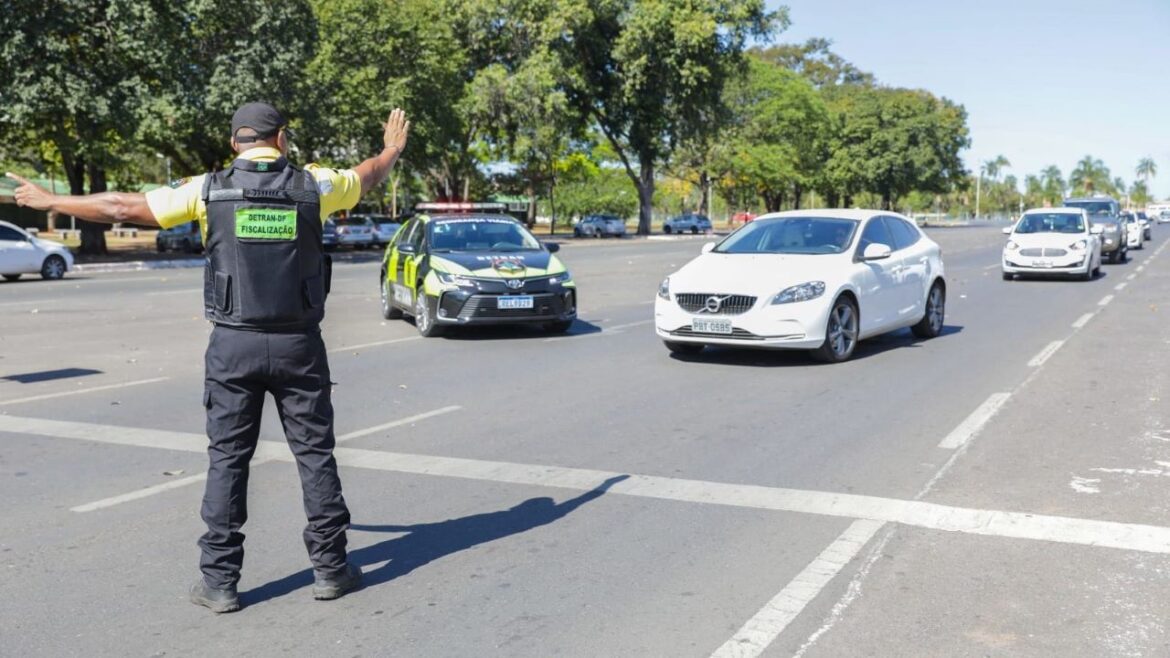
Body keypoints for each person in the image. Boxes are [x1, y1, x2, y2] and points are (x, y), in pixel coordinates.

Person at [7, 102, 410, 613]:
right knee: (315, 456)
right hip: (298, 345)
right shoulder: (316, 185)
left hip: (233, 346)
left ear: (234, 144)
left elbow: (118, 208)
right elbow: (369, 176)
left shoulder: (206, 188)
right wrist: (392, 148)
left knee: (227, 460)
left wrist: (53, 199)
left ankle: (220, 583)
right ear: (282, 138)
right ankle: (331, 570)